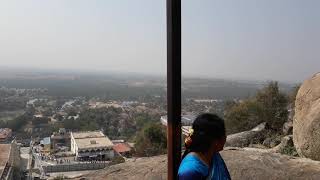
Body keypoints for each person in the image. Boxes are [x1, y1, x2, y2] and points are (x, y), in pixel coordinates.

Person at [178, 113, 231, 180]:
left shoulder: (213, 155)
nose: (225, 137)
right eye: (224, 134)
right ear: (216, 142)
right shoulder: (189, 171)